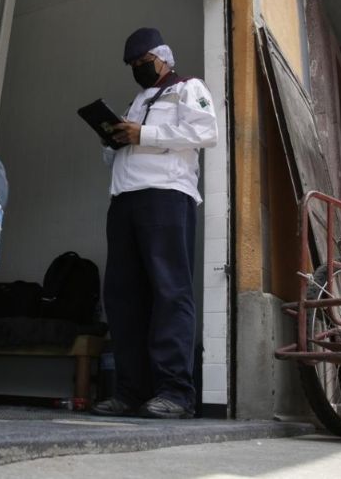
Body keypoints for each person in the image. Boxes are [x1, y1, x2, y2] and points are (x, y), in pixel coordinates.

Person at [90, 27, 218, 419]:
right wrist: (113, 139)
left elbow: (205, 132)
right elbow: (126, 152)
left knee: (170, 292)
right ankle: (130, 391)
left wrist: (142, 133)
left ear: (164, 57)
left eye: (144, 62)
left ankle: (175, 393)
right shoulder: (135, 102)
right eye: (132, 65)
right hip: (125, 201)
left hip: (166, 197)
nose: (138, 69)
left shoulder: (187, 88)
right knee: (124, 298)